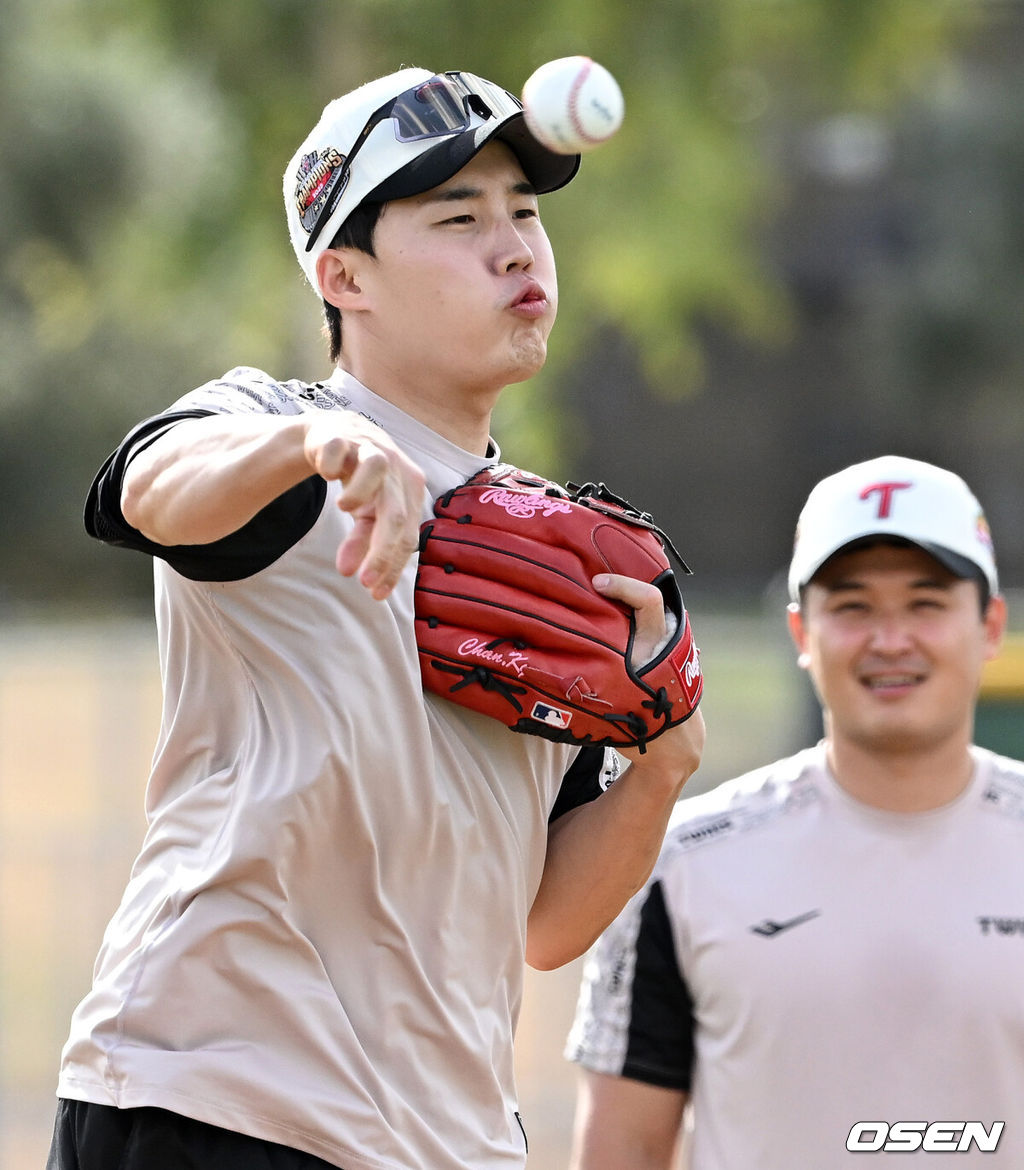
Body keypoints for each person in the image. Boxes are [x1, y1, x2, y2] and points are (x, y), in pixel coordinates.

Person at [46, 68, 705, 1170]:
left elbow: (543, 927)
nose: (515, 248)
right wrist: (314, 450)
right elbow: (144, 490)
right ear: (343, 275)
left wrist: (661, 769)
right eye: (458, 217)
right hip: (213, 1103)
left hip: (445, 1142)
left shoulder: (562, 564)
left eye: (526, 214)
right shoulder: (275, 435)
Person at [566, 454, 1024, 1169]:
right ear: (801, 632)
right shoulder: (679, 863)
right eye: (852, 606)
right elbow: (620, 1152)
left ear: (990, 626)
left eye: (927, 603)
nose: (890, 640)